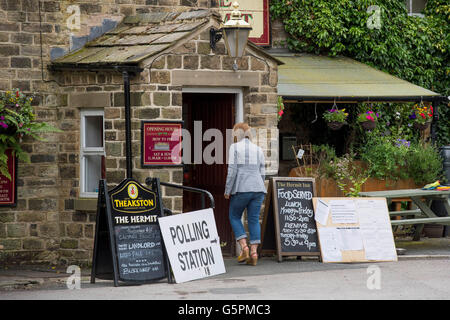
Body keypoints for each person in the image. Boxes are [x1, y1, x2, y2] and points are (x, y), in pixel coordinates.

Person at [224, 123, 266, 266]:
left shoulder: (234, 148)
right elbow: (262, 172)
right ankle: (254, 253)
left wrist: (227, 190)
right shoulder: (259, 149)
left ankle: (244, 248)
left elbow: (232, 171)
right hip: (258, 188)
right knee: (253, 219)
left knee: (234, 216)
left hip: (242, 188)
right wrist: (259, 186)